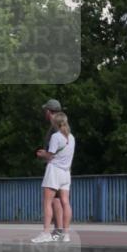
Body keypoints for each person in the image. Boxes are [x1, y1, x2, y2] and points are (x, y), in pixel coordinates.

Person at [31, 112, 75, 243]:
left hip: (54, 171)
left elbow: (50, 155)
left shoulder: (56, 136)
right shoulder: (71, 137)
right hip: (66, 173)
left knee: (47, 202)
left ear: (55, 123)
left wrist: (41, 154)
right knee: (65, 202)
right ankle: (65, 234)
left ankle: (45, 233)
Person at [41, 99, 65, 237]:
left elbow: (54, 151)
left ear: (49, 111)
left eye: (46, 110)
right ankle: (59, 229)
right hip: (62, 168)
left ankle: (56, 230)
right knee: (59, 199)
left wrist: (44, 154)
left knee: (52, 199)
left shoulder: (55, 128)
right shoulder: (63, 125)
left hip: (55, 168)